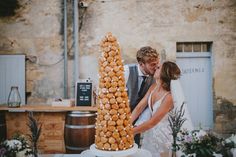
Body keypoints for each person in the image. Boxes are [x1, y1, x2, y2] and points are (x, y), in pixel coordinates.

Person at [131, 61, 182, 157]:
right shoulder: (153, 87)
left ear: (164, 73)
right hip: (150, 133)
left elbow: (153, 122)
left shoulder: (169, 97)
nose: (155, 68)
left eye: (158, 68)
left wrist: (132, 131)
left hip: (163, 137)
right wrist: (127, 123)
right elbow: (139, 107)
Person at [124, 46, 160, 146]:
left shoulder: (156, 76)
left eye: (157, 63)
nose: (156, 67)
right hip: (121, 117)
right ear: (141, 64)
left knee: (134, 146)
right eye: (153, 64)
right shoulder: (126, 71)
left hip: (139, 120)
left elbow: (144, 105)